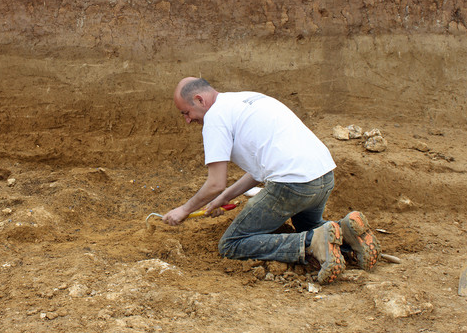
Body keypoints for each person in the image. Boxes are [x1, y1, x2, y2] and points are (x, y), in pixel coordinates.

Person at [163, 77, 380, 284]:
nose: (188, 119)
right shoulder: (245, 99)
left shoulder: (215, 118)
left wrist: (184, 209)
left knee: (232, 244)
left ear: (200, 100)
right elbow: (258, 172)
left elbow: (215, 183)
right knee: (308, 225)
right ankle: (347, 233)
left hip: (293, 185)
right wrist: (222, 198)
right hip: (323, 175)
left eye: (186, 112)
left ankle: (311, 245)